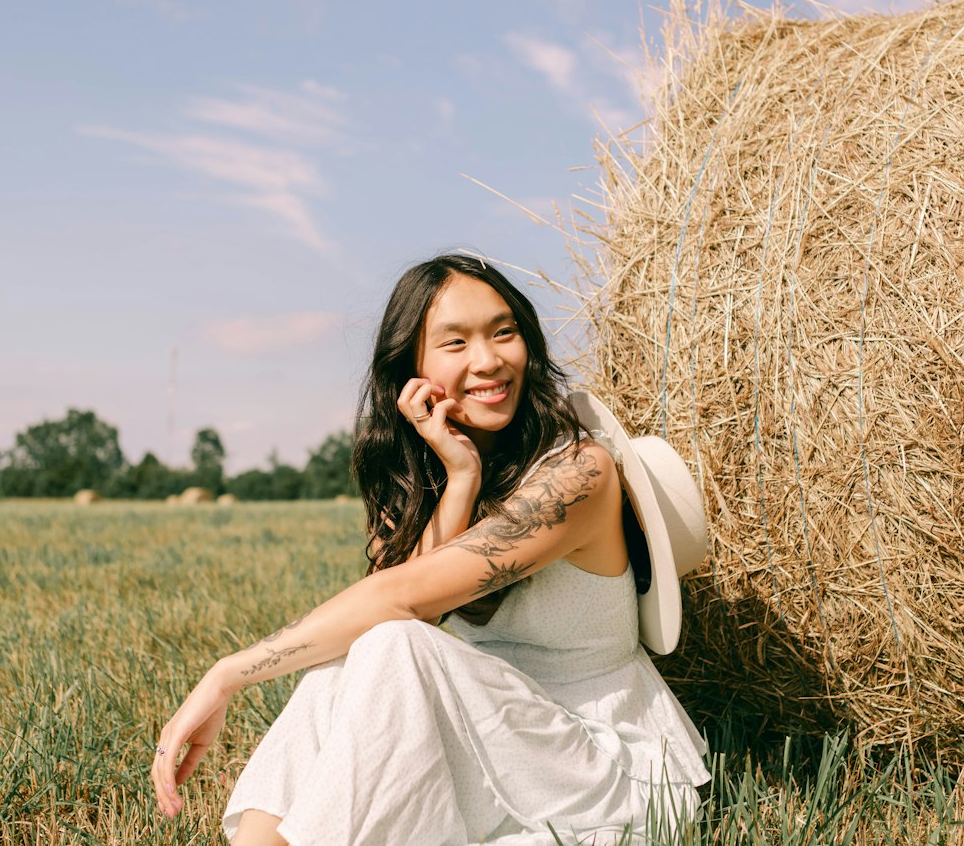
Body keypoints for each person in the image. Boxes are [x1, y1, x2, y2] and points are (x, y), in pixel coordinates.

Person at [151, 253, 710, 845]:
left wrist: (228, 674)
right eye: (455, 343)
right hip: (502, 741)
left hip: (608, 769)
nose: (489, 360)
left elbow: (404, 601)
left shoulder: (580, 474)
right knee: (344, 664)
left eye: (504, 332)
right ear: (412, 369)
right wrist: (462, 477)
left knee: (393, 642)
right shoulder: (445, 475)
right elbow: (417, 596)